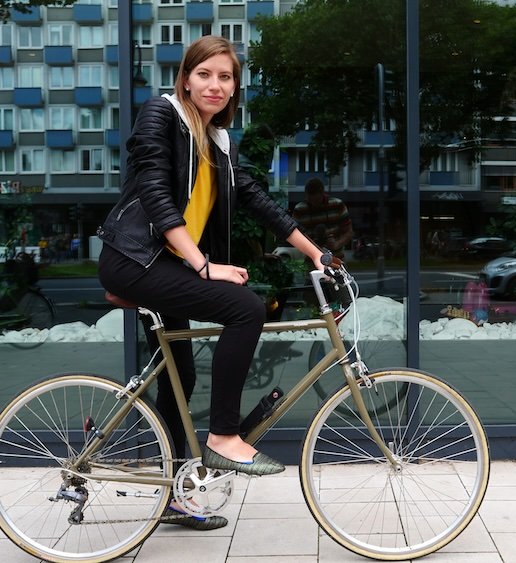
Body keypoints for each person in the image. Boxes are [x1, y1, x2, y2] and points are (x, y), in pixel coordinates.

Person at [97, 36, 330, 530]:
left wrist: (316, 252)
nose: (215, 85)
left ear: (234, 89)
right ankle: (224, 437)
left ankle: (174, 495)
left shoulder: (219, 142)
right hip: (135, 259)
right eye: (205, 74)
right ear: (186, 78)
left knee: (180, 376)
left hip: (165, 266)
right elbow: (157, 196)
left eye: (226, 77)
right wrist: (204, 266)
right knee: (244, 308)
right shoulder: (161, 116)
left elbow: (256, 199)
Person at [291, 178, 354, 256]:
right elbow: (294, 236)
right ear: (306, 196)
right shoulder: (299, 210)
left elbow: (349, 232)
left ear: (323, 194)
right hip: (312, 259)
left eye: (317, 200)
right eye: (310, 200)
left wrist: (337, 244)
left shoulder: (338, 205)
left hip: (336, 258)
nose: (314, 204)